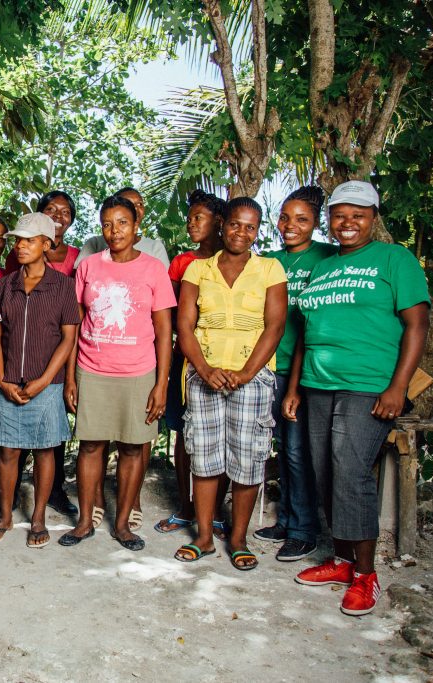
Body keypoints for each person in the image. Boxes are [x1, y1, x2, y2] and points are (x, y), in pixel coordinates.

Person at [294, 180, 429, 616]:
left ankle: (366, 574)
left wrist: (398, 387)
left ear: (374, 218)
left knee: (350, 469)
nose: (348, 223)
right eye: (340, 215)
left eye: (359, 215)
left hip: (369, 383)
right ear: (329, 220)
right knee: (324, 472)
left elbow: (416, 325)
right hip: (318, 382)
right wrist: (295, 386)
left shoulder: (395, 260)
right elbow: (304, 333)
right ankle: (341, 561)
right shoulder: (322, 267)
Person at [173, 197, 287, 570]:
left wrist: (246, 373)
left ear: (258, 232)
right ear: (223, 226)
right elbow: (184, 327)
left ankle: (237, 539)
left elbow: (275, 328)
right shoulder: (198, 270)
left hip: (251, 379)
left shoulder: (271, 269)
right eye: (236, 224)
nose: (242, 232)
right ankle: (204, 537)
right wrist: (204, 370)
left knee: (248, 458)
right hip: (205, 373)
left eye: (250, 227)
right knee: (204, 457)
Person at [61, 196, 174, 551]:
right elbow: (74, 324)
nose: (114, 231)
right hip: (92, 369)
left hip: (139, 372)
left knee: (131, 448)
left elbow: (164, 330)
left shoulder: (153, 268)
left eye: (122, 223)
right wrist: (69, 377)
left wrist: (161, 384)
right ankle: (84, 521)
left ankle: (122, 524)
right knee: (90, 444)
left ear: (136, 224)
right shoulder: (89, 266)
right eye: (107, 224)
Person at [0, 213, 80, 549]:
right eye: (18, 240)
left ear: (46, 244)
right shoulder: (2, 285)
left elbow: (68, 339)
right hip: (10, 382)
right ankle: (6, 517)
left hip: (46, 385)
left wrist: (45, 380)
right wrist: (2, 379)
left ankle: (38, 517)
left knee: (43, 451)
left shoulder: (64, 286)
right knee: (8, 451)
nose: (20, 246)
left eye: (28, 240)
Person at [253, 186, 337, 561]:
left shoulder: (328, 259)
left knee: (299, 451)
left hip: (301, 370)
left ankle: (305, 530)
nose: (291, 225)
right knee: (283, 448)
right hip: (268, 367)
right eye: (285, 217)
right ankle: (287, 520)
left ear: (316, 223)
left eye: (302, 219)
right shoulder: (268, 262)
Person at [154, 190, 229, 538]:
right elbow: (167, 314)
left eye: (199, 216)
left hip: (227, 362)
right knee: (185, 434)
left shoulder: (238, 261)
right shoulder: (182, 263)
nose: (191, 222)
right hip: (186, 361)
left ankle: (214, 512)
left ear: (218, 221)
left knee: (224, 435)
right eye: (191, 216)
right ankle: (186, 507)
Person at [76, 187, 170, 268]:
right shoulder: (95, 244)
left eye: (140, 204)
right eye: (128, 203)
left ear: (136, 227)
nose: (136, 209)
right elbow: (80, 277)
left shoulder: (155, 248)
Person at [2, 191, 80, 276]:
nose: (58, 215)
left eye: (65, 212)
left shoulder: (78, 257)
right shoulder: (19, 252)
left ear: (71, 219)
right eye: (51, 209)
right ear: (40, 214)